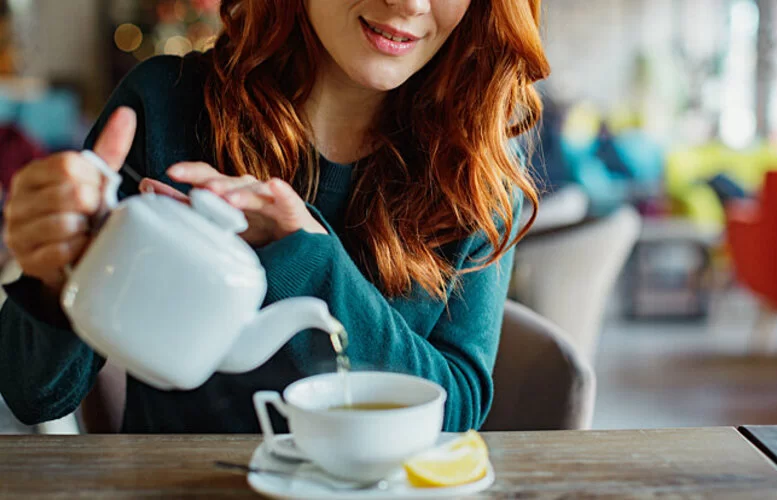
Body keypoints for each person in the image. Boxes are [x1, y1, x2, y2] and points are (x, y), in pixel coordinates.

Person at [0, 0, 549, 433]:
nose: (407, 3)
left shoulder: (478, 163)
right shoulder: (166, 104)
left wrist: (312, 257)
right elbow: (33, 394)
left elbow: (455, 414)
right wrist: (56, 275)